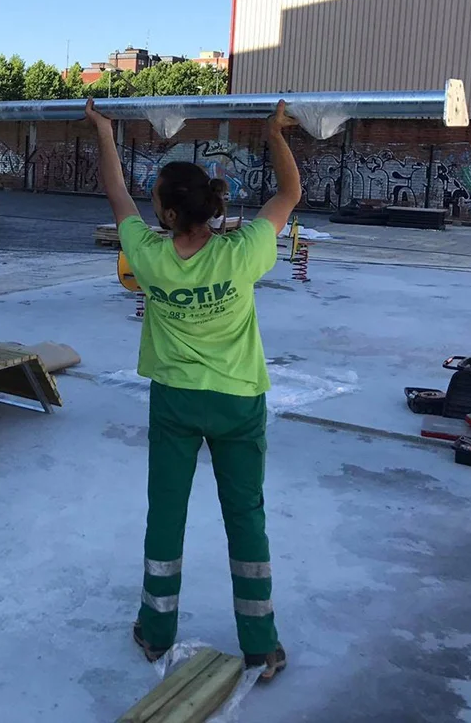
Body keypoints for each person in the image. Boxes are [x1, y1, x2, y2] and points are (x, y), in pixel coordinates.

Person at [85, 97, 302, 682]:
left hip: (177, 402)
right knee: (246, 518)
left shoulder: (151, 258)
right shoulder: (243, 252)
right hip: (237, 401)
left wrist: (105, 131)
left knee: (166, 515)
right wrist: (273, 134)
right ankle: (262, 645)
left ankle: (156, 633)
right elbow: (289, 195)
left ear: (169, 215)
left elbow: (115, 194)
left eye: (156, 199)